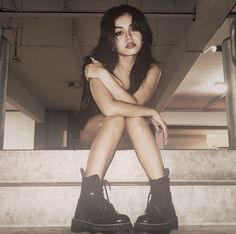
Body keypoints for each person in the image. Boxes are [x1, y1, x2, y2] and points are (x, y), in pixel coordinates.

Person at [71, 4, 178, 234]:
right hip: (97, 130)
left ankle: (162, 203)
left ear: (143, 34)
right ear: (111, 39)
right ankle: (88, 200)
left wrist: (105, 77)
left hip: (131, 130)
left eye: (134, 29)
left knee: (134, 119)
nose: (129, 36)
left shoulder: (152, 69)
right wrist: (149, 111)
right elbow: (109, 108)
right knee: (118, 118)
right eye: (119, 32)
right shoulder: (95, 65)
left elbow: (136, 107)